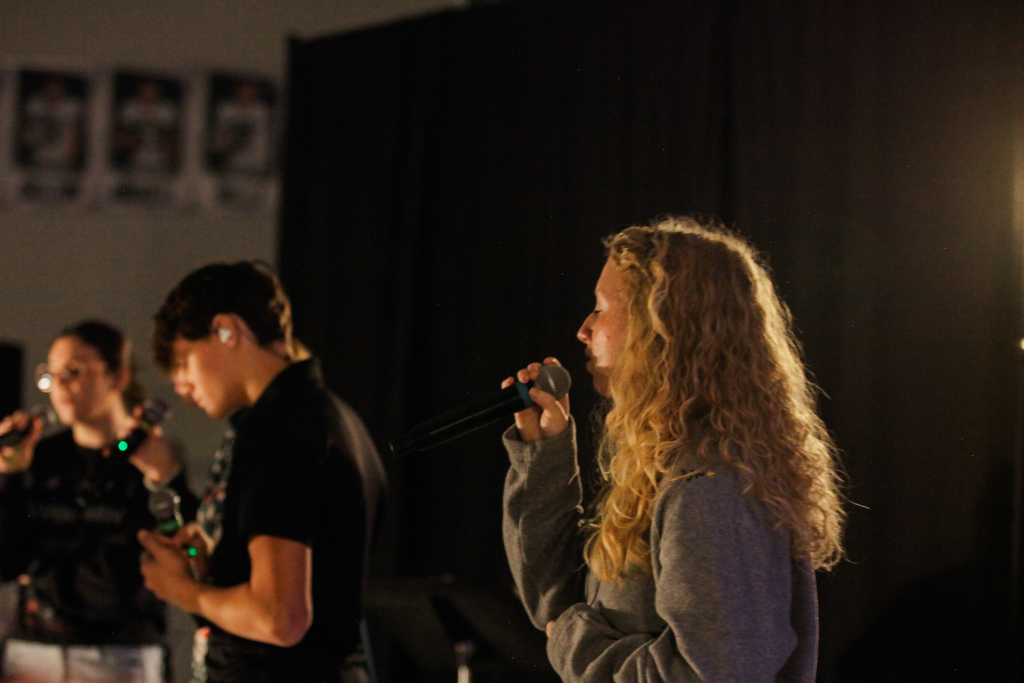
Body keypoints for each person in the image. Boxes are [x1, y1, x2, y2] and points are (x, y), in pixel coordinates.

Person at [501, 217, 845, 682]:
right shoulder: (668, 469)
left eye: (601, 308)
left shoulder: (711, 485)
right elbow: (554, 603)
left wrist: (572, 645)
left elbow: (710, 677)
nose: (584, 329)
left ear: (660, 321)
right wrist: (544, 454)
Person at [137, 262, 386, 683]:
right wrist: (215, 564)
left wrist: (184, 591)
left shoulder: (278, 427)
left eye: (184, 361)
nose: (181, 386)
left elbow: (279, 618)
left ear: (226, 331)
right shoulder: (340, 418)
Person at [0, 320, 196, 683]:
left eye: (73, 372)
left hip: (119, 656)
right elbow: (8, 559)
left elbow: (122, 583)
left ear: (117, 376)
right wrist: (9, 476)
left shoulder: (147, 461)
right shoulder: (39, 458)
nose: (59, 386)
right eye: (52, 374)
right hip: (34, 651)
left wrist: (43, 572)